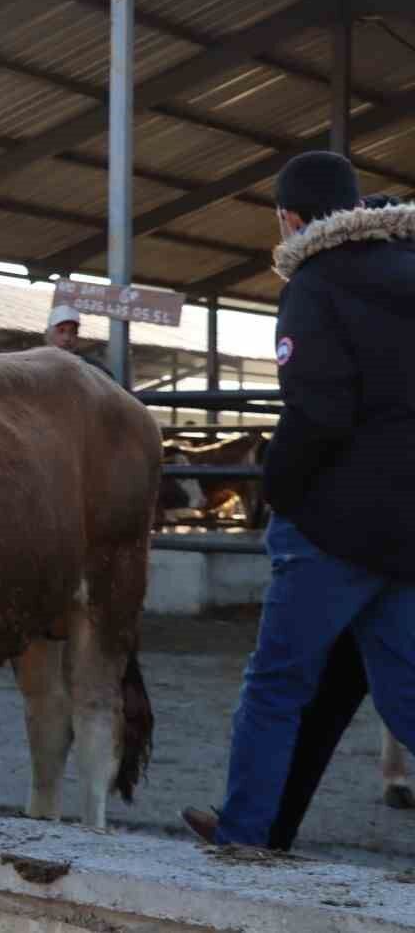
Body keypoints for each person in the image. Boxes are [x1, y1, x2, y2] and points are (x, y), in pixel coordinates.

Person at [181, 151, 415, 848]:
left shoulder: (314, 285)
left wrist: (277, 489)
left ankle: (245, 832)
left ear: (289, 217)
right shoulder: (409, 272)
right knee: (406, 689)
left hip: (331, 528)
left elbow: (319, 413)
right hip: (406, 525)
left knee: (277, 684)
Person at [44, 305, 110, 375]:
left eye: (73, 332)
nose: (67, 338)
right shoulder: (38, 366)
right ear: (48, 335)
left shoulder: (94, 370)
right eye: (61, 331)